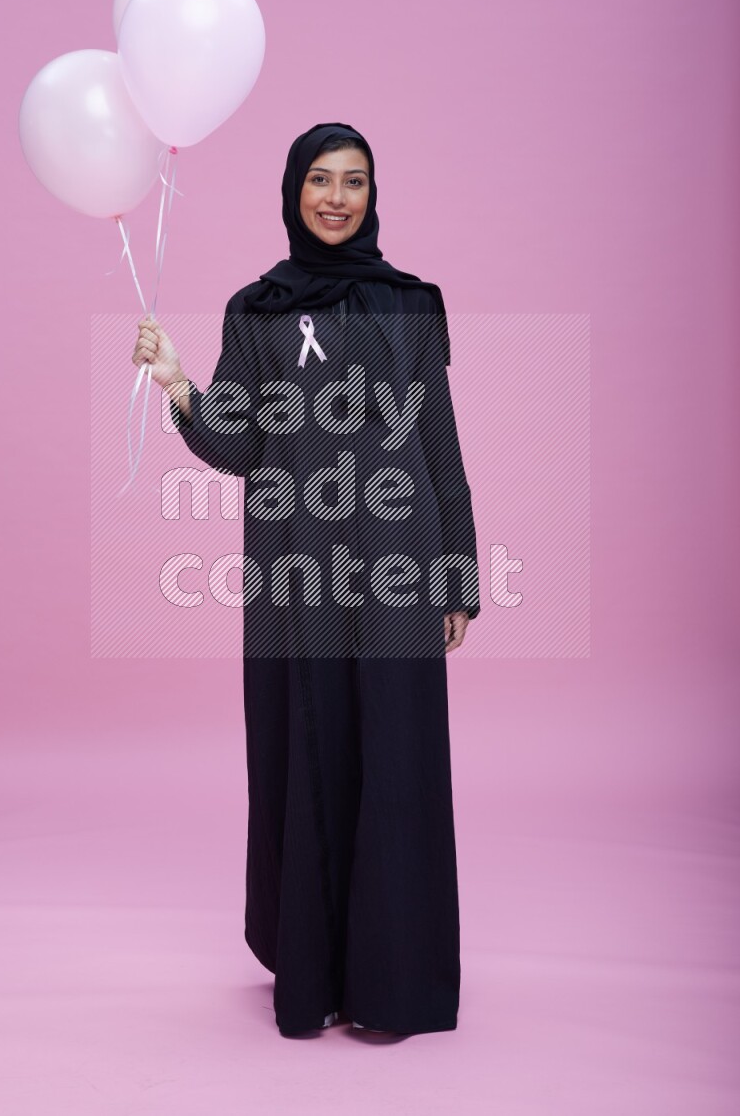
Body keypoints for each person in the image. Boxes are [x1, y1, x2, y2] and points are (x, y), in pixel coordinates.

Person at [131, 122, 480, 1037]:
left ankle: (394, 984)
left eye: (353, 182)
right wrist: (177, 388)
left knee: (397, 767)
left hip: (400, 575)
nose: (335, 197)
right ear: (293, 192)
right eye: (319, 180)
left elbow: (439, 445)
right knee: (312, 755)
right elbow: (239, 445)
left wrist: (459, 575)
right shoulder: (258, 310)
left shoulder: (411, 305)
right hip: (297, 579)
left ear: (373, 194)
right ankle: (316, 971)